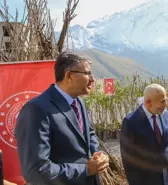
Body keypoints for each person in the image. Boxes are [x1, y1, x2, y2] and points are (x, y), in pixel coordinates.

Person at [15, 52, 109, 185]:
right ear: (68, 76)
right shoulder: (37, 109)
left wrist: (97, 155)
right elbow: (36, 170)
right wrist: (86, 170)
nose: (92, 78)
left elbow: (89, 134)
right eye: (87, 73)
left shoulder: (78, 103)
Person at [120, 83, 168, 185]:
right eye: (162, 102)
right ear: (148, 103)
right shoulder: (130, 122)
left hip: (166, 177)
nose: (166, 105)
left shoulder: (166, 115)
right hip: (145, 180)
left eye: (166, 100)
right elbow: (128, 159)